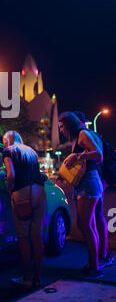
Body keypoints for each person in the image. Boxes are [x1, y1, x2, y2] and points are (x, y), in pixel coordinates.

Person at [58, 112, 103, 277]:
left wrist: (77, 155)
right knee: (88, 225)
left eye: (62, 126)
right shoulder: (79, 136)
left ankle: (95, 267)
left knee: (85, 225)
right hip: (85, 183)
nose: (61, 130)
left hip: (89, 183)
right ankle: (93, 263)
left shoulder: (83, 134)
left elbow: (99, 155)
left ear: (69, 124)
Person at [2, 130, 46, 289]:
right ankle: (38, 277)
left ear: (7, 141)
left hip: (23, 193)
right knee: (36, 235)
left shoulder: (8, 151)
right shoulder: (31, 151)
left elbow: (11, 175)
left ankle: (27, 277)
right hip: (39, 192)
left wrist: (9, 189)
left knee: (23, 237)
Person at [73, 111, 114, 268]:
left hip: (96, 179)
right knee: (96, 218)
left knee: (94, 219)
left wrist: (103, 181)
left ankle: (103, 256)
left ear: (81, 122)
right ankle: (103, 255)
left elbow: (98, 157)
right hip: (98, 179)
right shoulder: (90, 134)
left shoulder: (86, 134)